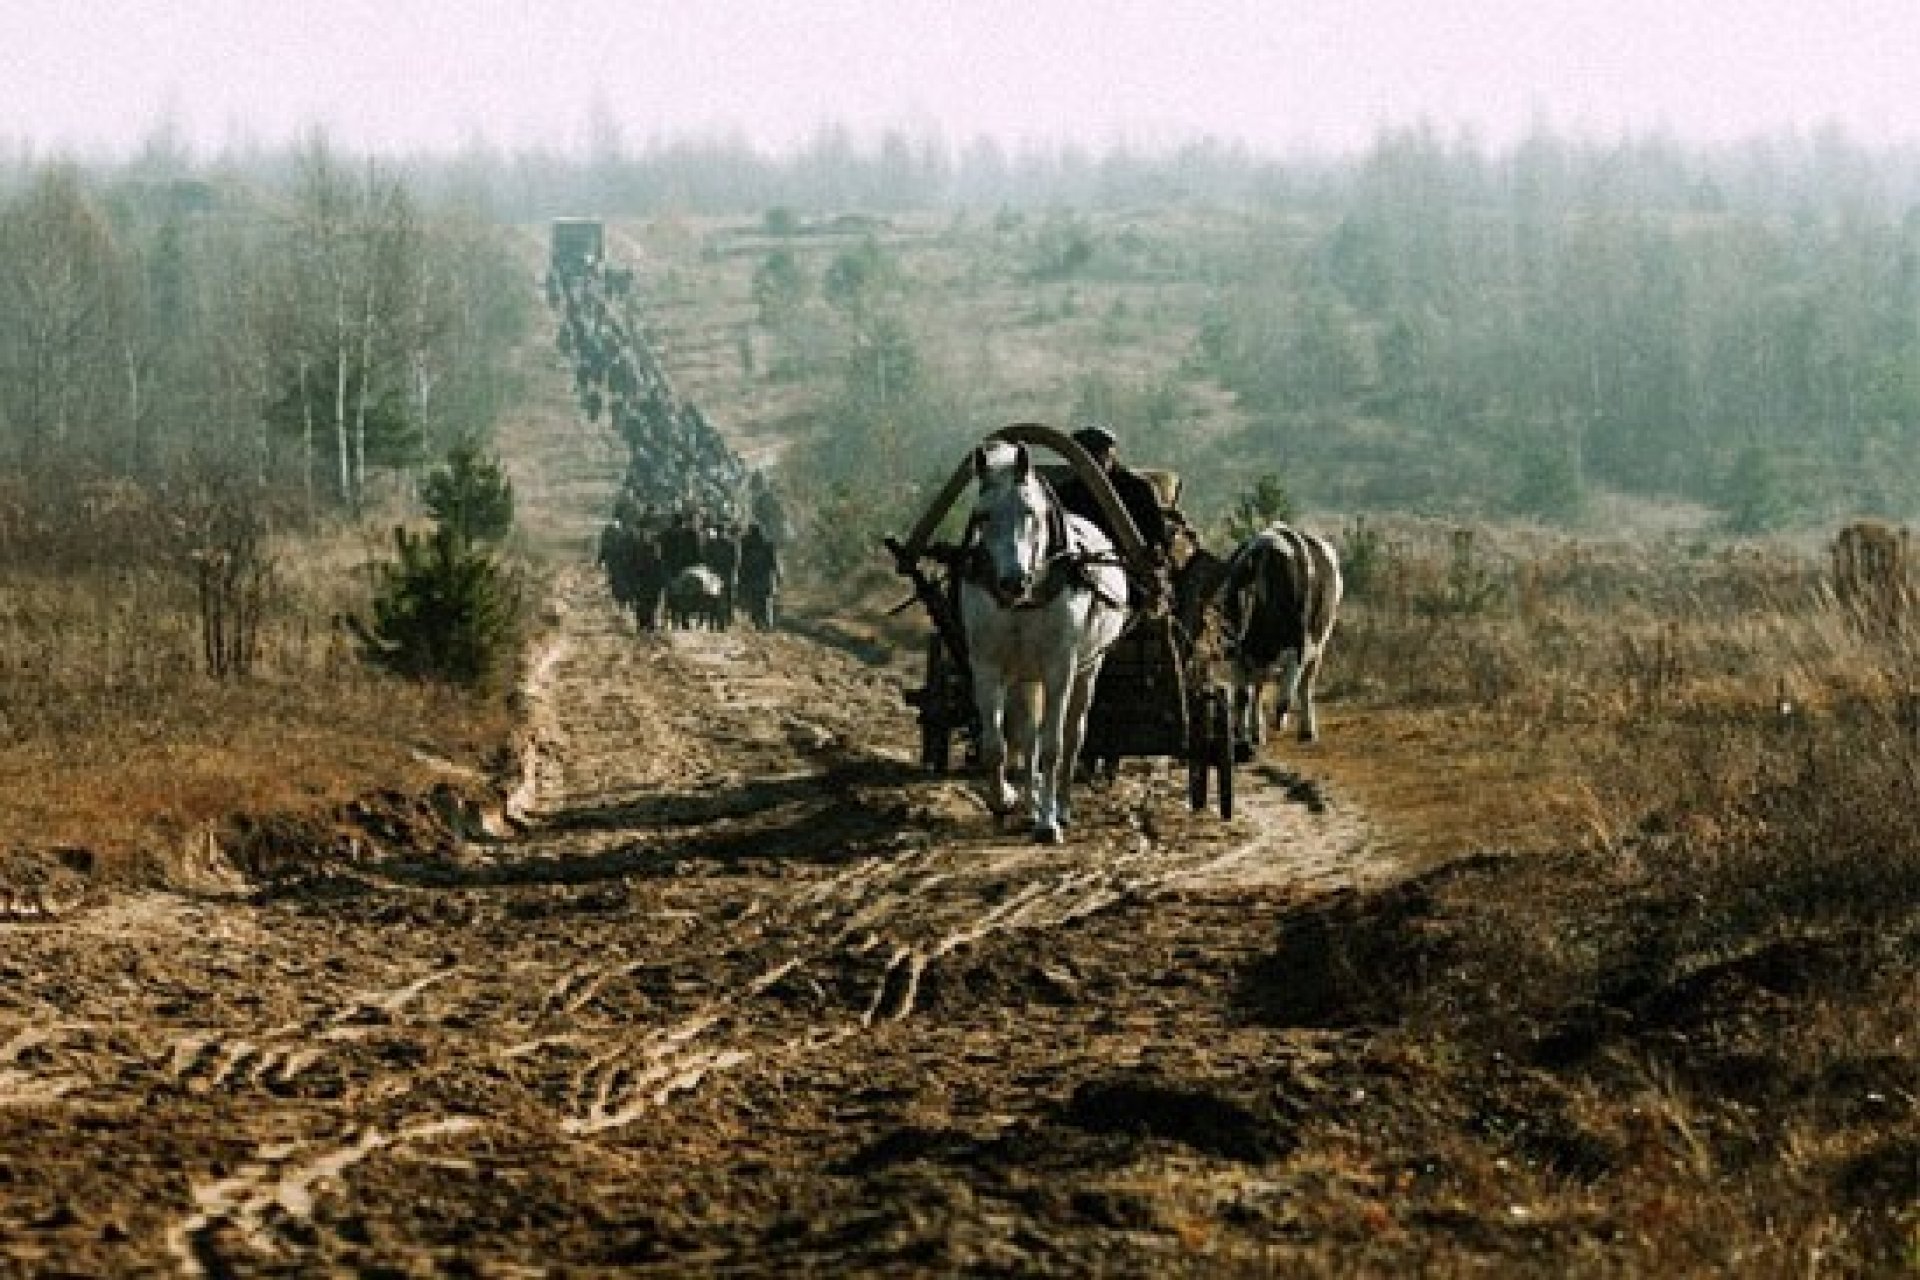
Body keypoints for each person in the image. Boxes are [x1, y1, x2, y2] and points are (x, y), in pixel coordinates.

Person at [1056, 424, 1171, 562]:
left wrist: (1153, 551)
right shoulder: (1067, 492)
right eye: (1086, 455)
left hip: (1128, 563)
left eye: (1098, 454)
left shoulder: (1137, 488)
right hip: (1080, 560)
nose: (1092, 461)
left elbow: (1156, 533)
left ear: (1110, 455)